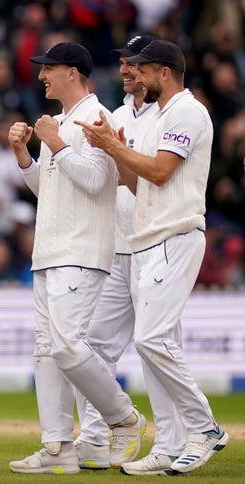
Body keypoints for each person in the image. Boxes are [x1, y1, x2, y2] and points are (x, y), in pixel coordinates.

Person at [76, 39, 229, 475]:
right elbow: (138, 183)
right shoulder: (161, 115)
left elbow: (161, 171)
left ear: (164, 72)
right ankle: (169, 442)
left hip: (176, 235)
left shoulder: (186, 111)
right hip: (147, 238)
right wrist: (114, 149)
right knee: (154, 346)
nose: (133, 76)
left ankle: (205, 428)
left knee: (152, 340)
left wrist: (116, 146)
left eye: (141, 70)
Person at [6, 41, 146, 475]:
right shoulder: (60, 121)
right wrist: (26, 156)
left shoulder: (97, 118)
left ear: (73, 72)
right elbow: (50, 189)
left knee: (67, 346)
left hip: (82, 250)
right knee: (47, 351)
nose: (42, 75)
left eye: (49, 68)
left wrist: (55, 143)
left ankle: (124, 417)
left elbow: (96, 181)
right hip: (49, 249)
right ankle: (58, 447)